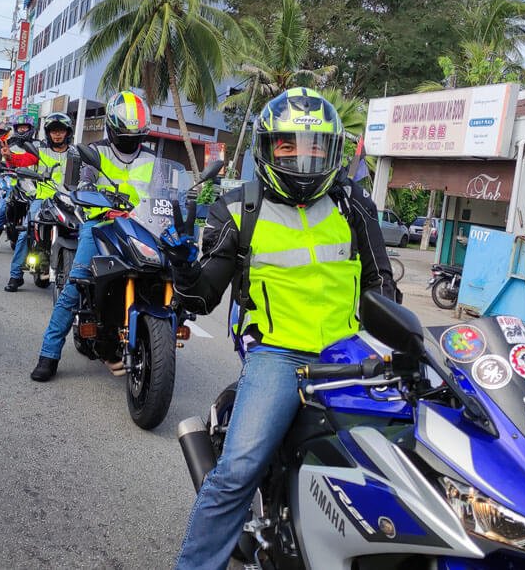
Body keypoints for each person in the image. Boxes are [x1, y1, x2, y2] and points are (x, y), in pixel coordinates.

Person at [163, 88, 398, 568]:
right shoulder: (238, 208)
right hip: (280, 355)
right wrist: (183, 267)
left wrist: (395, 345)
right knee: (237, 471)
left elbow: (381, 285)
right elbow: (201, 299)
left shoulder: (352, 202)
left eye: (315, 147)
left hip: (352, 355)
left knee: (399, 463)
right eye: (288, 145)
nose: (302, 159)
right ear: (267, 148)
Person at [31, 92, 156, 381]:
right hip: (100, 224)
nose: (130, 140)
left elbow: (166, 191)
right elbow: (83, 182)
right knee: (76, 285)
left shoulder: (151, 157)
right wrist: (91, 194)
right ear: (112, 128)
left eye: (135, 135)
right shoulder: (96, 152)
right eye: (125, 134)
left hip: (140, 226)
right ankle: (48, 355)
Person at [5, 113, 78, 292]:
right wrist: (9, 157)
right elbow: (22, 160)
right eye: (53, 131)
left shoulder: (76, 153)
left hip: (70, 201)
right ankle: (15, 275)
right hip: (44, 199)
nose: (57, 134)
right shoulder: (40, 150)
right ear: (48, 133)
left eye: (61, 131)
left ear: (68, 132)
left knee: (84, 232)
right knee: (26, 231)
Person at [0, 115, 39, 253]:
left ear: (31, 129)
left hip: (34, 185)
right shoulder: (9, 144)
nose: (22, 130)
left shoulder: (39, 146)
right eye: (20, 127)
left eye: (25, 127)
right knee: (4, 209)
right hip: (14, 183)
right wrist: (1, 167)